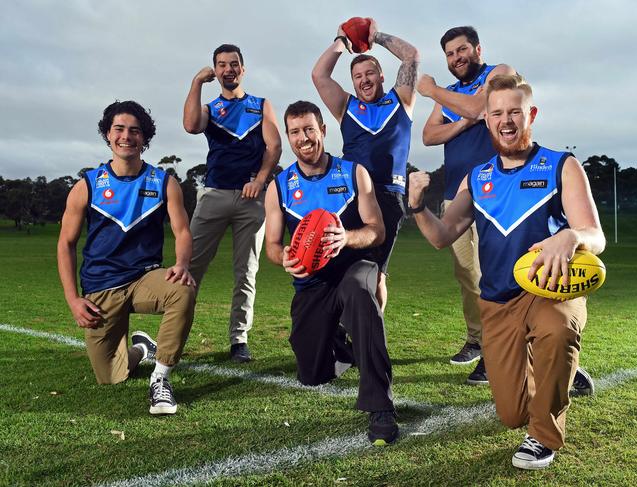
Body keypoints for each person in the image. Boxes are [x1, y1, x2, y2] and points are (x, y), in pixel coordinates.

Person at [409, 74, 606, 469]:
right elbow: (442, 235)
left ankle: (544, 436)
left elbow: (595, 235)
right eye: (496, 112)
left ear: (530, 114)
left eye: (514, 111)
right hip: (498, 301)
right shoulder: (477, 178)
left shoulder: (561, 166)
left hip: (552, 290)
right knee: (511, 414)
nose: (506, 119)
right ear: (486, 118)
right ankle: (561, 373)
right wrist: (416, 206)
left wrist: (571, 236)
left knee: (556, 327)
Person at [265, 101, 398, 445]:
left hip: (354, 266)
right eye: (295, 132)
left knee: (359, 294)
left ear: (323, 130)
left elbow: (377, 231)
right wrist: (286, 259)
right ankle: (341, 341)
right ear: (289, 137)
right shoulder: (279, 186)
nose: (303, 138)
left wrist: (347, 237)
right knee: (313, 373)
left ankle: (380, 406)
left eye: (309, 129)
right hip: (312, 282)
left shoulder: (353, 173)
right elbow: (273, 246)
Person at [57, 100, 196, 415]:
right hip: (101, 285)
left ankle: (160, 379)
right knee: (111, 377)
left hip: (145, 278)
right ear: (108, 134)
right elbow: (65, 243)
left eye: (135, 131)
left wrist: (182, 264)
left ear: (144, 138)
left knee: (182, 289)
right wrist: (73, 300)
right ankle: (141, 349)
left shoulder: (163, 183)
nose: (126, 136)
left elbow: (183, 231)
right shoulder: (87, 186)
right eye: (119, 129)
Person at [417, 26, 516, 384]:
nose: (456, 58)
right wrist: (463, 121)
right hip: (457, 194)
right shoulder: (449, 95)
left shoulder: (499, 73)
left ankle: (499, 349)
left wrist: (431, 91)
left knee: (497, 272)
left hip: (499, 191)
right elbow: (429, 136)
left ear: (477, 49)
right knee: (467, 274)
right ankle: (477, 340)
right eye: (449, 54)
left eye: (462, 50)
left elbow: (480, 105)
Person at [183, 44, 282, 362]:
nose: (229, 69)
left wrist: (261, 179)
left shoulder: (261, 105)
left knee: (246, 272)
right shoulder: (210, 109)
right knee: (189, 269)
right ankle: (176, 335)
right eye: (222, 64)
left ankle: (239, 339)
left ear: (243, 68)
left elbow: (274, 145)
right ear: (216, 70)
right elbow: (190, 125)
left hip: (250, 200)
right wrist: (197, 83)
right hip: (213, 196)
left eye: (234, 63)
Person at [312, 18, 418, 311]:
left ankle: (372, 336)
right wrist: (341, 42)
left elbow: (411, 56)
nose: (364, 79)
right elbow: (319, 75)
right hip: (350, 196)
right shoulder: (346, 106)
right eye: (357, 75)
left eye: (370, 72)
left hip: (387, 197)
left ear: (382, 75)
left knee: (377, 275)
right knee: (337, 269)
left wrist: (377, 36)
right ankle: (341, 335)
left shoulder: (401, 101)